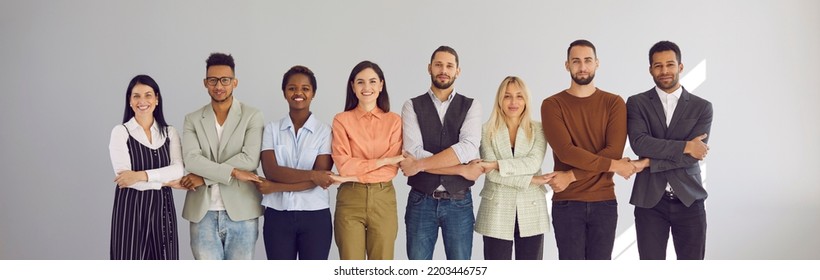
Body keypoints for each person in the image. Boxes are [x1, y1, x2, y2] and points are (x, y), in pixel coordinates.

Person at [540, 39, 633, 260]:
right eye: (576, 61)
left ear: (597, 63)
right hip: (567, 203)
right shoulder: (552, 104)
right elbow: (566, 151)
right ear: (567, 65)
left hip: (604, 201)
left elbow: (613, 152)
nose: (582, 67)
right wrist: (613, 166)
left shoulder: (614, 103)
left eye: (588, 60)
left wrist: (571, 175)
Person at [626, 41, 713, 260]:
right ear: (650, 70)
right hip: (649, 202)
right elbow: (639, 143)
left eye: (670, 64)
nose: (664, 71)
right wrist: (685, 145)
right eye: (658, 66)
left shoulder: (701, 107)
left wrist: (648, 163)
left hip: (689, 199)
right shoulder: (637, 103)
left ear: (680, 67)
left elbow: (694, 156)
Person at [399, 46, 483, 260]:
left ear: (458, 71)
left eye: (449, 65)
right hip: (421, 200)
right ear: (429, 68)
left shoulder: (471, 106)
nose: (443, 70)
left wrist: (418, 166)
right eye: (438, 65)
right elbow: (414, 151)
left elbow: (468, 148)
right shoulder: (412, 106)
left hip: (459, 202)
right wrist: (462, 170)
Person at [179, 52, 265, 260]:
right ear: (205, 83)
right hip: (203, 213)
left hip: (242, 211)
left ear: (234, 82)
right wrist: (234, 171)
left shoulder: (252, 115)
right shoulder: (192, 119)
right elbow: (191, 159)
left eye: (225, 80)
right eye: (213, 80)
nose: (219, 86)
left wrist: (204, 177)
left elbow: (250, 158)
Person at [253, 65, 334, 260]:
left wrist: (275, 187)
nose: (298, 93)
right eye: (292, 88)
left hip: (315, 216)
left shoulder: (325, 132)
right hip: (278, 216)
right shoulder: (271, 129)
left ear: (313, 93)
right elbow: (271, 170)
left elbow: (322, 179)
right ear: (284, 93)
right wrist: (313, 175)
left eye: (305, 88)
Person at [330, 60, 404, 260]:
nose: (367, 87)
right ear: (353, 86)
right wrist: (383, 160)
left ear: (381, 85)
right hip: (350, 199)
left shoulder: (394, 121)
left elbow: (391, 170)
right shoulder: (341, 120)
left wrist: (352, 174)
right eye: (360, 82)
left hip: (383, 199)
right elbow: (344, 166)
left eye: (372, 81)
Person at [108, 74, 186, 259]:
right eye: (136, 96)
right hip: (130, 212)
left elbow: (178, 170)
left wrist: (140, 175)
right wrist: (166, 182)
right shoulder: (121, 132)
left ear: (157, 99)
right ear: (129, 101)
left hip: (163, 212)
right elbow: (127, 180)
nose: (142, 101)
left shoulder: (169, 132)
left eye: (148, 95)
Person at [475, 76, 552, 260]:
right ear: (499, 100)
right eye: (507, 96)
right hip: (497, 208)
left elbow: (533, 163)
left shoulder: (539, 129)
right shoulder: (485, 130)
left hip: (531, 208)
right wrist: (531, 180)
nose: (513, 102)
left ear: (526, 99)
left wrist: (496, 164)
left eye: (519, 96)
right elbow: (492, 175)